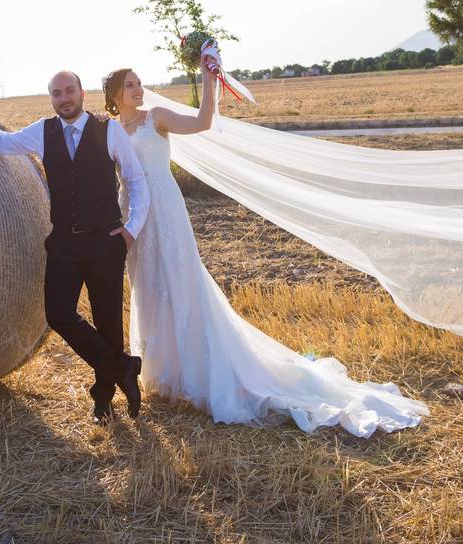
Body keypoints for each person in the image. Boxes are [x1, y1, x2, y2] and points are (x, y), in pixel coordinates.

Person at [103, 64, 428, 436]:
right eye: (129, 85)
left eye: (140, 83)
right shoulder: (111, 129)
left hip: (165, 208)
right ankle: (164, 374)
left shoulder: (155, 117)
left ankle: (200, 375)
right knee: (148, 288)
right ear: (114, 94)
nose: (138, 89)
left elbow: (203, 121)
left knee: (180, 283)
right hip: (133, 215)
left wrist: (209, 78)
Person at [0, 71, 150, 424]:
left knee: (107, 323)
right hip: (62, 242)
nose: (64, 98)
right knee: (58, 314)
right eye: (56, 94)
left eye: (69, 91)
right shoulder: (42, 132)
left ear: (81, 93)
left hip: (105, 241)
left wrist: (131, 229)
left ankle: (103, 399)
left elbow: (136, 181)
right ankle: (123, 368)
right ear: (51, 99)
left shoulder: (109, 130)